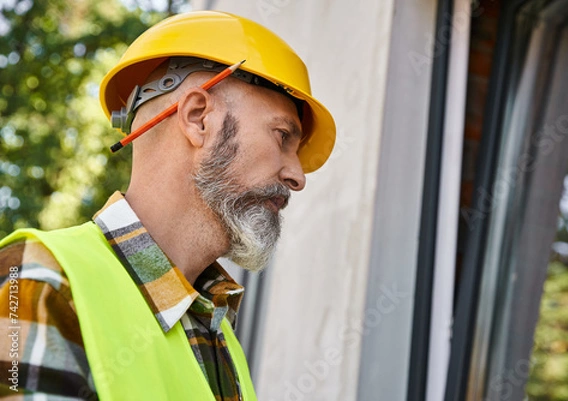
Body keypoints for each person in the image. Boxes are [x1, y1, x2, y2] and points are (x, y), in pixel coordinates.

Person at [0, 11, 335, 400]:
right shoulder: (42, 281)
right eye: (281, 137)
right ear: (198, 118)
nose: (298, 176)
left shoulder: (219, 330)